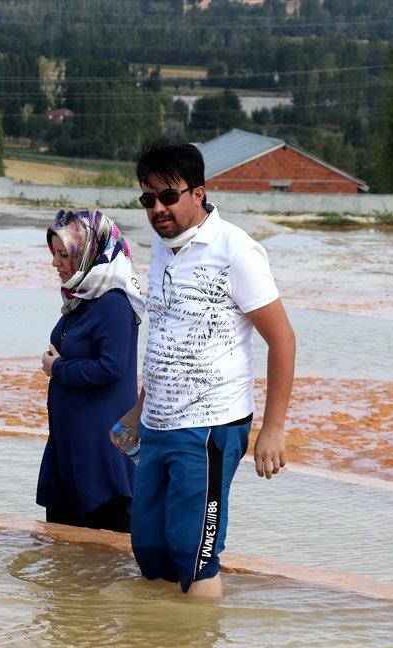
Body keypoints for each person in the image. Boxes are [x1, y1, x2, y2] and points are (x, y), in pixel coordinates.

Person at [115, 138, 296, 599]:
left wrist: (272, 429)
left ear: (199, 193)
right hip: (158, 424)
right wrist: (139, 411)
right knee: (150, 547)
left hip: (211, 426)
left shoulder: (236, 250)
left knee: (194, 554)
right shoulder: (161, 249)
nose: (157, 208)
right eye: (147, 198)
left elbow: (282, 339)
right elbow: (166, 342)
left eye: (168, 196)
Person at [37, 209, 145, 533]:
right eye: (53, 254)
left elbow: (111, 368)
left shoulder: (112, 301)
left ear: (87, 251)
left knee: (105, 556)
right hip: (74, 443)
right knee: (66, 556)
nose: (55, 263)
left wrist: (58, 367)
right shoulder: (82, 297)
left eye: (62, 254)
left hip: (102, 447)